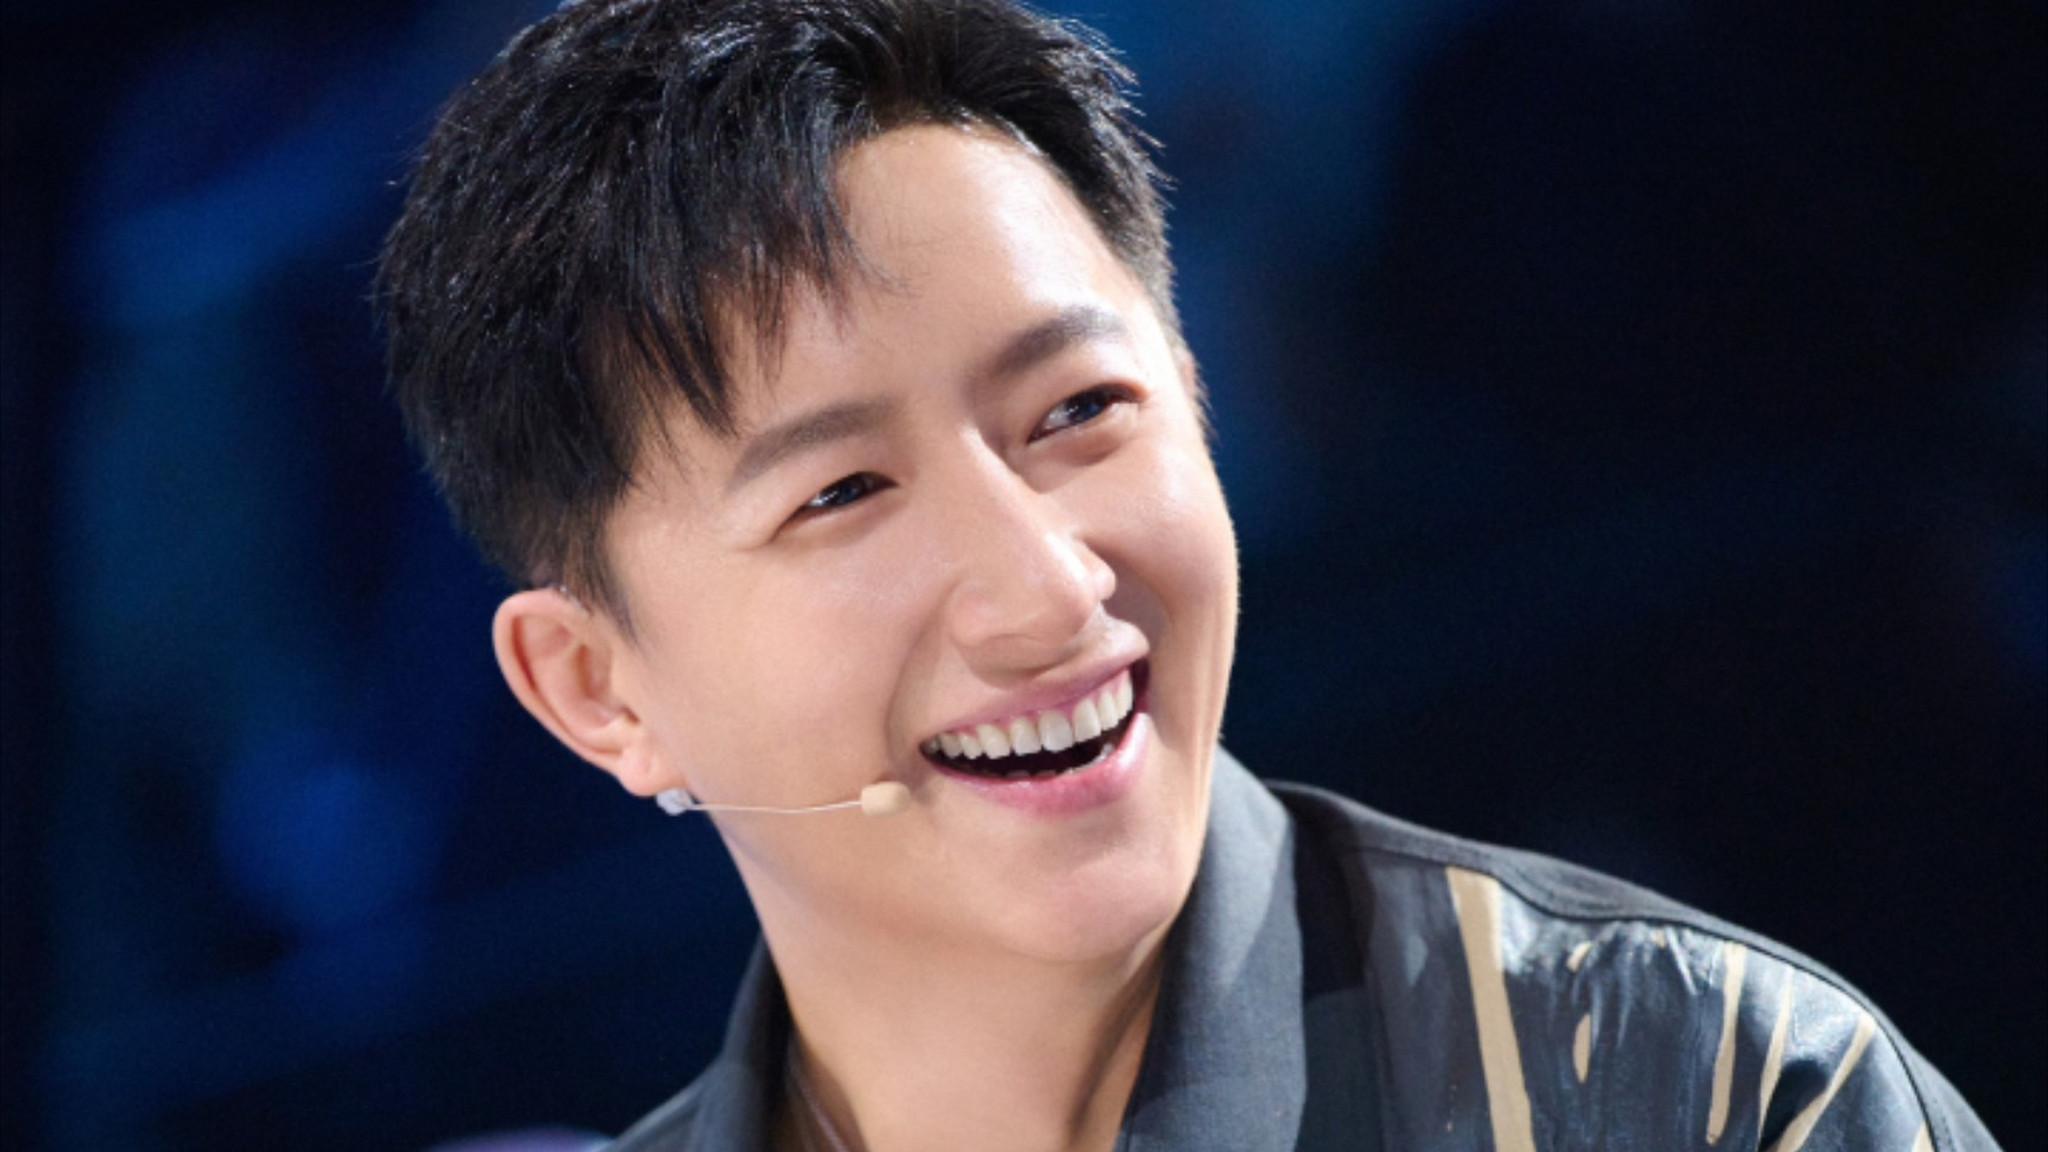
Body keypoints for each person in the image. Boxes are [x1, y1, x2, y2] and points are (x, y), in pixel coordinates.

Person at [376, 1, 2001, 1149]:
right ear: (596, 690)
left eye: (1080, 412)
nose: (1047, 589)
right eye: (845, 492)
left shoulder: (1702, 1095)